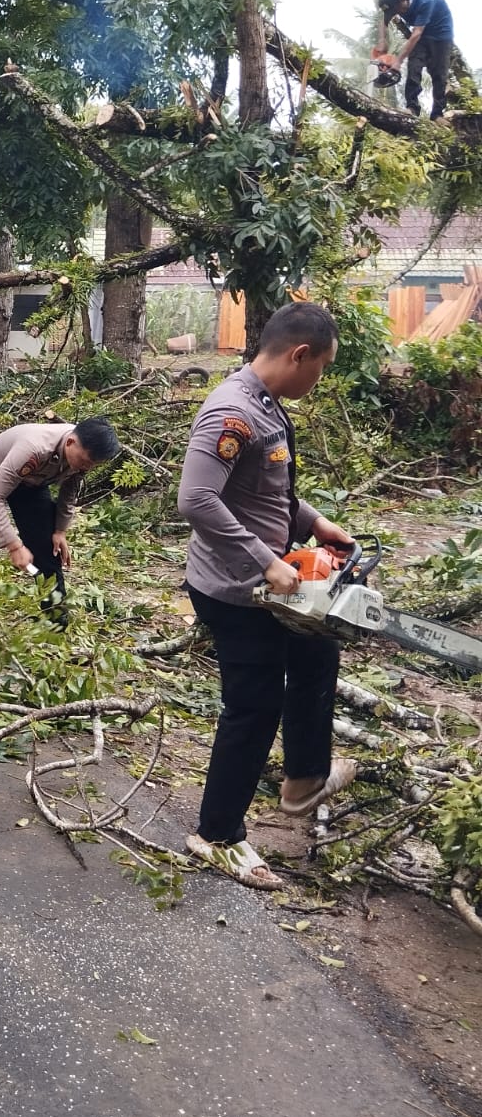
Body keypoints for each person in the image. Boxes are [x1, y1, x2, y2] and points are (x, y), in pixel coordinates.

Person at [177, 301, 358, 890]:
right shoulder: (231, 414)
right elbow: (197, 501)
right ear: (299, 355)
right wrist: (268, 561)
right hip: (236, 589)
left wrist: (314, 524)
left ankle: (304, 780)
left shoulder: (266, 405)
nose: (320, 378)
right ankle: (217, 835)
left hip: (267, 582)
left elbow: (262, 489)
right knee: (253, 707)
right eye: (322, 367)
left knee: (317, 655)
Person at [0, 417, 120, 602]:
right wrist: (14, 546)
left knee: (48, 548)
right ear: (71, 442)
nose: (87, 467)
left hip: (32, 482)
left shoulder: (84, 452)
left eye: (93, 465)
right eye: (85, 462)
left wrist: (60, 530)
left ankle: (55, 620)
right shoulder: (36, 448)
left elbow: (69, 493)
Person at [378, 0, 455, 119]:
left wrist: (398, 62)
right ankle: (412, 107)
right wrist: (382, 41)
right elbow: (383, 23)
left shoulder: (425, 1)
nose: (398, 13)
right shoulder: (396, 4)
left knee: (439, 74)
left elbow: (416, 34)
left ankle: (437, 114)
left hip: (441, 36)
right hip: (423, 34)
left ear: (403, 0)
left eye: (397, 11)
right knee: (414, 67)